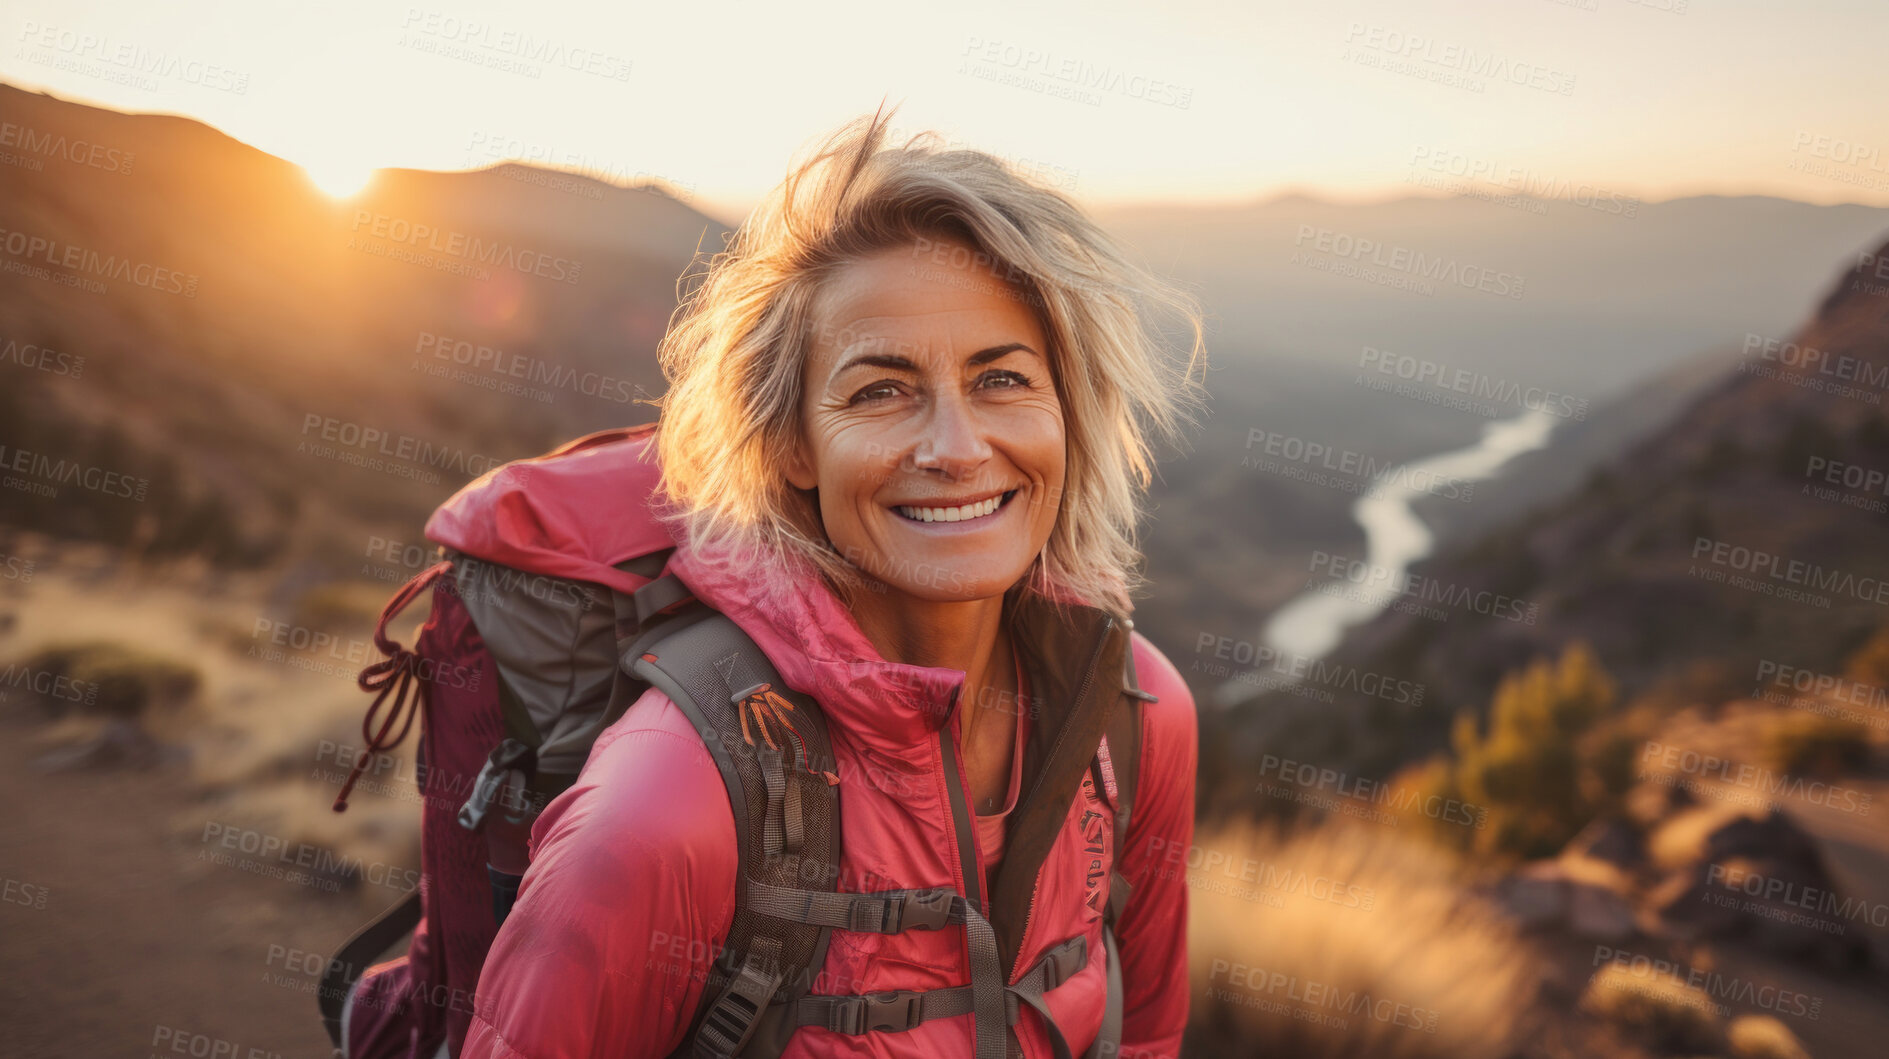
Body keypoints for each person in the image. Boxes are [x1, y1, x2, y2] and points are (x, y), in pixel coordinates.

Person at [460, 103, 1208, 1059]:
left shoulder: (1136, 716)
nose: (955, 447)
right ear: (793, 448)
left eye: (1002, 379)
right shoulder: (660, 814)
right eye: (879, 390)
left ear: (1070, 412)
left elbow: (1146, 1037)